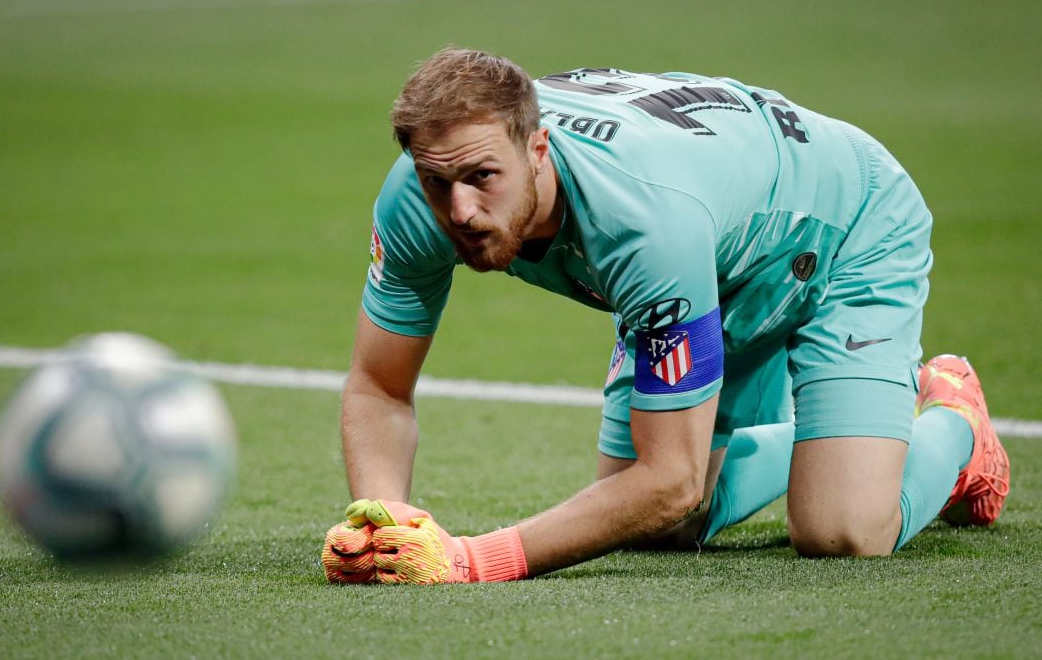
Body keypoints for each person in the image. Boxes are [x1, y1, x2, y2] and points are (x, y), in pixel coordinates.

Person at [320, 48, 1011, 585]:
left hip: (845, 225)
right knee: (650, 524)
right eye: (437, 182)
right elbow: (379, 385)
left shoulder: (644, 225)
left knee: (841, 531)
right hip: (714, 248)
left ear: (538, 151)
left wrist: (474, 558)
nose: (459, 211)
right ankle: (831, 437)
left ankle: (955, 424)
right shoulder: (421, 196)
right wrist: (388, 527)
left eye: (481, 178)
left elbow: (670, 481)